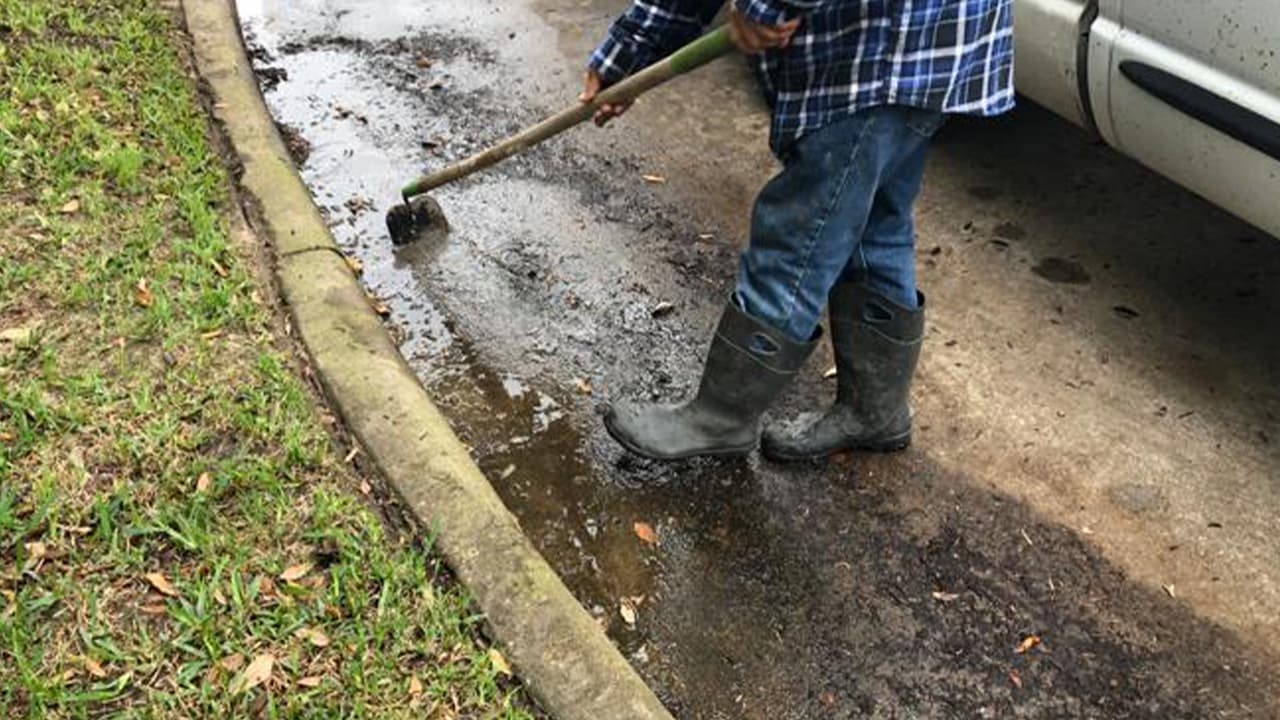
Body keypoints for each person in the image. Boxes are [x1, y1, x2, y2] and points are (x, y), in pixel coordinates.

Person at [582, 0, 1013, 461]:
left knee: (798, 236)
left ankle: (721, 417)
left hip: (882, 51)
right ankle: (875, 410)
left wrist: (763, 7)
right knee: (875, 223)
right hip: (934, 46)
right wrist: (627, 57)